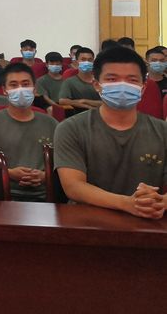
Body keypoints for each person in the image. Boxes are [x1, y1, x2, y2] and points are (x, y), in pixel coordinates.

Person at [54, 46, 167, 218]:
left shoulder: (162, 131)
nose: (122, 86)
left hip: (149, 219)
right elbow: (74, 187)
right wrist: (127, 203)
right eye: (112, 79)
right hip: (88, 221)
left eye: (131, 80)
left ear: (143, 87)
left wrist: (161, 202)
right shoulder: (71, 128)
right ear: (97, 85)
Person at [0, 63, 57, 201]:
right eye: (13, 85)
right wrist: (7, 172)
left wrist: (46, 176)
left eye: (25, 84)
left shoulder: (51, 123)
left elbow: (65, 164)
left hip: (45, 196)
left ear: (34, 89)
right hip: (0, 197)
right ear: (4, 90)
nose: (20, 89)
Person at [59, 47, 101, 113]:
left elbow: (107, 103)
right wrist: (86, 106)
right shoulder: (69, 82)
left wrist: (84, 101)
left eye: (90, 60)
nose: (86, 62)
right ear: (76, 61)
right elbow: (62, 101)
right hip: (79, 115)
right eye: (83, 59)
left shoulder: (100, 80)